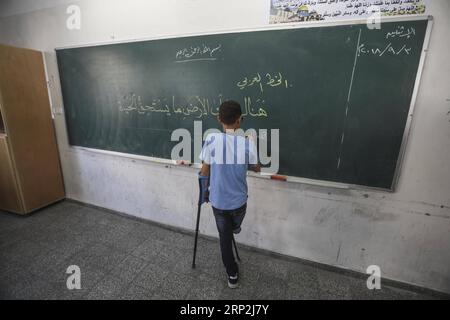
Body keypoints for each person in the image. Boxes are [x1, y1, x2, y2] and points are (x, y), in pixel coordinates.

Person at [199, 100, 260, 289]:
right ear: (239, 120)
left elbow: (204, 171)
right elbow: (257, 168)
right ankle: (235, 226)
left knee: (224, 239)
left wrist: (203, 190)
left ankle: (232, 274)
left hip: (218, 201)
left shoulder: (211, 140)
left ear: (219, 119)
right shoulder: (247, 143)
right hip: (239, 202)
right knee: (235, 224)